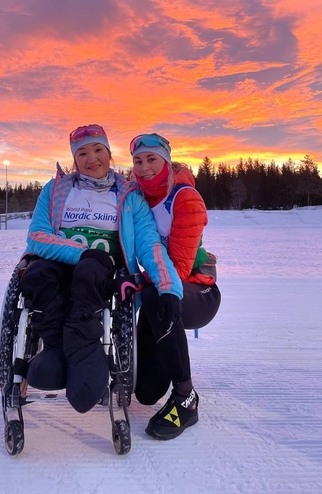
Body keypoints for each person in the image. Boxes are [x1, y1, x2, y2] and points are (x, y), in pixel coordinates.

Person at [18, 124, 183, 416]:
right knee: (36, 275)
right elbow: (38, 236)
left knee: (90, 270)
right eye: (82, 153)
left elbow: (149, 244)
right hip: (60, 262)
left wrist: (169, 287)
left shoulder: (129, 195)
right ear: (73, 158)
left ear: (108, 154)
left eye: (97, 150)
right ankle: (56, 350)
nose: (91, 158)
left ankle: (85, 354)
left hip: (102, 271)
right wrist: (81, 252)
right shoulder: (56, 189)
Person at [129, 132, 221, 441]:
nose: (145, 168)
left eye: (152, 159)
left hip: (197, 291)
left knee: (157, 293)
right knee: (145, 393)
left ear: (167, 161)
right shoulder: (139, 199)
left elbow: (179, 268)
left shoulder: (185, 197)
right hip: (158, 292)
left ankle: (186, 398)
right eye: (138, 161)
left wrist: (138, 281)